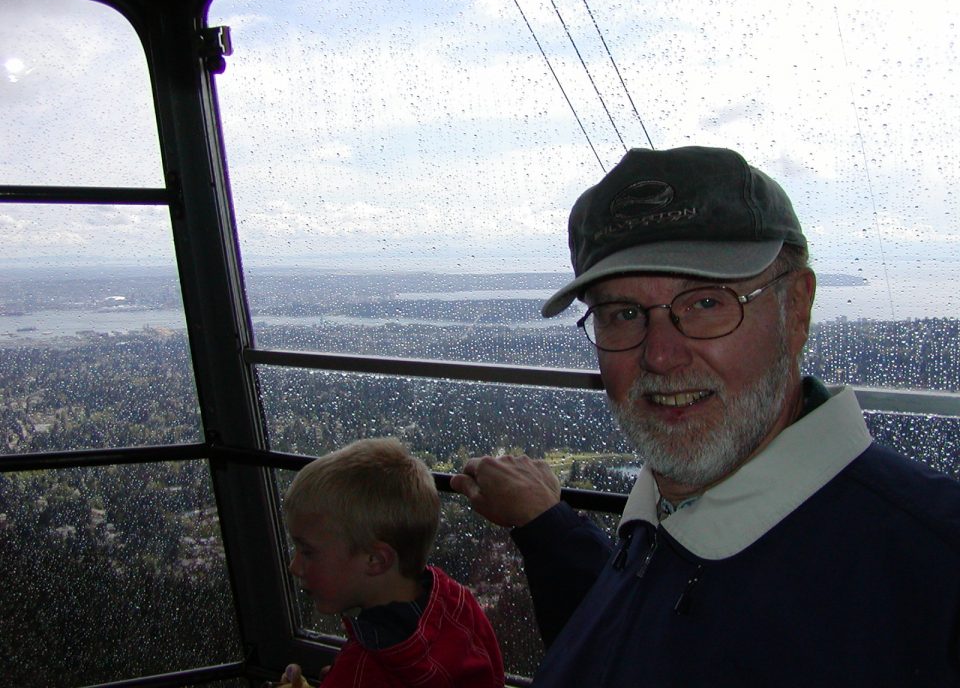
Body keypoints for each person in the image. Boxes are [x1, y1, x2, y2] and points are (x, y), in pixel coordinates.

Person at [451, 146, 960, 687]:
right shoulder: (658, 533)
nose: (660, 354)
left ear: (797, 310)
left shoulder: (936, 580)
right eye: (623, 314)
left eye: (707, 303)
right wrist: (548, 530)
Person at [280, 437, 504, 688]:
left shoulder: (361, 670)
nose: (294, 566)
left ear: (375, 560)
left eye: (307, 551)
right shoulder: (457, 602)